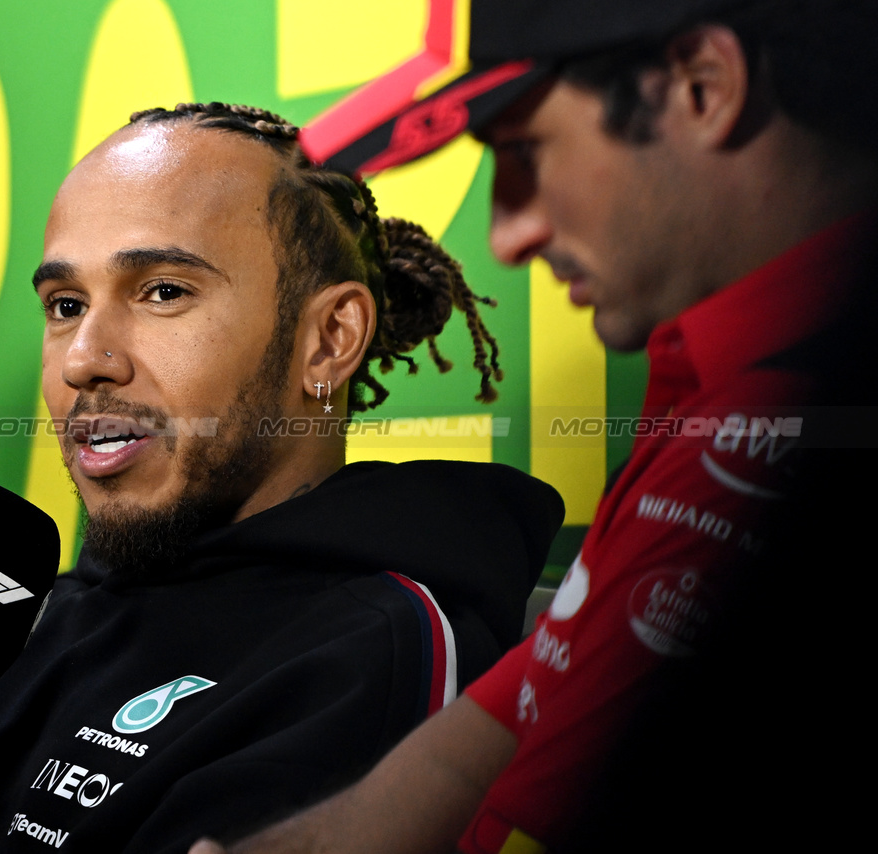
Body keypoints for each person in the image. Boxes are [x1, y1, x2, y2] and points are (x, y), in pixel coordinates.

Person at [0, 103, 565, 854]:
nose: (85, 358)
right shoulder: (4, 616)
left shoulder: (376, 654)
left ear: (327, 341)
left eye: (162, 290)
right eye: (64, 304)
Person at [195, 1, 878, 852]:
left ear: (705, 87)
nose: (507, 235)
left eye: (523, 152)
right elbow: (494, 733)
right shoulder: (716, 386)